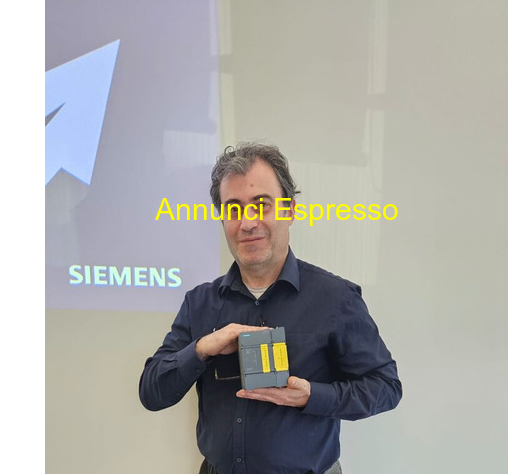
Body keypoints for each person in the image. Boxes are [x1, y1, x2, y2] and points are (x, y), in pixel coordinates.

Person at [139, 142, 402, 474]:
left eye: (261, 205)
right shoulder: (200, 303)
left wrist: (312, 396)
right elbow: (152, 393)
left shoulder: (336, 298)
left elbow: (385, 387)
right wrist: (202, 348)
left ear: (289, 211)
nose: (247, 223)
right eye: (233, 209)